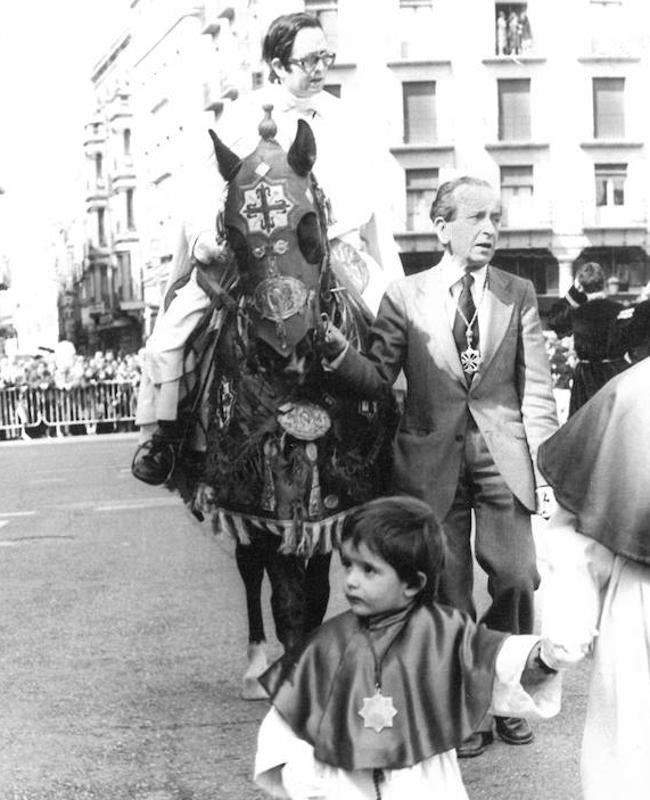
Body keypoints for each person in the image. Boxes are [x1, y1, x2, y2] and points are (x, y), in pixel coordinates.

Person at [133, 12, 404, 698]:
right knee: (177, 327)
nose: (321, 68)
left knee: (397, 329)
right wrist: (206, 247)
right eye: (310, 58)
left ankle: (407, 434)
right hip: (252, 256)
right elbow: (205, 195)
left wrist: (361, 257)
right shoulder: (237, 117)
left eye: (327, 57)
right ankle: (162, 433)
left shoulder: (345, 118)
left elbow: (373, 205)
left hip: (326, 247)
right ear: (277, 62)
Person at [318, 176, 559, 756]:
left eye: (495, 218)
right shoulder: (404, 295)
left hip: (502, 454)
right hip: (429, 458)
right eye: (475, 217)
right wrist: (336, 355)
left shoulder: (517, 291)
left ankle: (512, 693)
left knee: (517, 575)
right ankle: (469, 707)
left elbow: (538, 391)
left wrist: (546, 468)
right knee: (448, 591)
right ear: (441, 227)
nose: (490, 229)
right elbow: (378, 377)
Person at [254, 496, 561, 799]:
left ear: (413, 584)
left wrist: (539, 658)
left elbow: (492, 659)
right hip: (346, 783)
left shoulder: (442, 634)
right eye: (348, 565)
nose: (350, 581)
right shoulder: (327, 645)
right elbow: (290, 713)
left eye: (368, 570)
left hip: (421, 781)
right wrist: (300, 775)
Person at [537, 357, 650, 800]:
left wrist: (565, 640)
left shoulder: (632, 395)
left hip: (638, 597)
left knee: (630, 758)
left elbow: (580, 543)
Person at [547, 261, 638, 416]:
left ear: (581, 287)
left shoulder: (577, 313)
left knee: (585, 428)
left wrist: (573, 293)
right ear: (604, 283)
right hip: (616, 374)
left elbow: (554, 321)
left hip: (586, 378)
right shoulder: (622, 311)